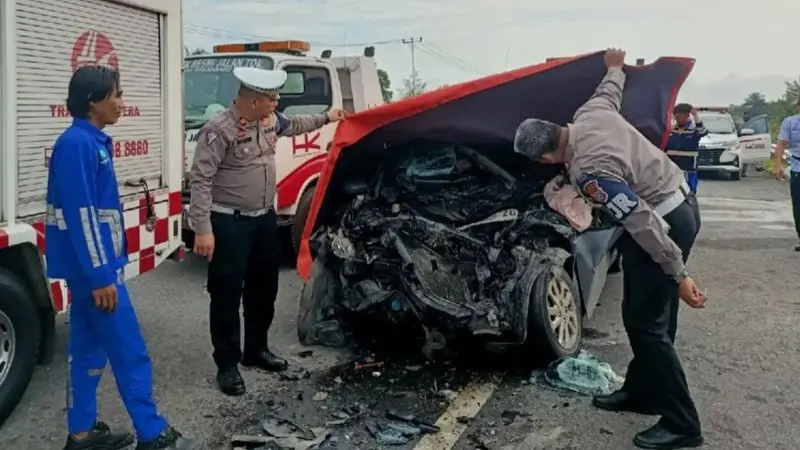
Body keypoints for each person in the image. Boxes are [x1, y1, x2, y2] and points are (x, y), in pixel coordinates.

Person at [513, 49, 708, 450]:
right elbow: (609, 91)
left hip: (664, 221)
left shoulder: (590, 172)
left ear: (547, 156)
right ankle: (642, 392)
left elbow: (641, 221)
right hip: (677, 202)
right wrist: (615, 67)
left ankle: (683, 424)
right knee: (643, 313)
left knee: (647, 325)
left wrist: (679, 274)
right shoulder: (590, 114)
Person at [45, 65, 196, 450]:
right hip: (93, 271)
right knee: (129, 349)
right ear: (93, 101)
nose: (121, 103)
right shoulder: (79, 145)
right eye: (116, 95)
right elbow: (82, 217)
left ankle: (81, 432)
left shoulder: (88, 141)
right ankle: (152, 432)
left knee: (87, 348)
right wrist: (100, 277)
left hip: (91, 269)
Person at [189, 67, 348, 396]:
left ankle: (256, 350)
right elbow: (201, 180)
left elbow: (297, 124)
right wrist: (202, 229)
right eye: (272, 99)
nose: (277, 104)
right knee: (227, 295)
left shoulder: (270, 120)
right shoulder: (219, 131)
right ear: (252, 100)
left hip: (264, 220)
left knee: (264, 290)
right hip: (228, 222)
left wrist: (329, 117)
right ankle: (228, 364)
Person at [772, 97, 800, 251]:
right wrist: (778, 166)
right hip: (797, 168)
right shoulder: (790, 122)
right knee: (798, 206)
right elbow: (781, 144)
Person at [667, 103, 708, 194]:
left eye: (678, 117)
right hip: (674, 167)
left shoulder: (694, 129)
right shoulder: (673, 130)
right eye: (675, 117)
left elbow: (703, 132)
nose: (676, 119)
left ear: (687, 116)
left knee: (689, 191)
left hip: (688, 167)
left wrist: (696, 115)